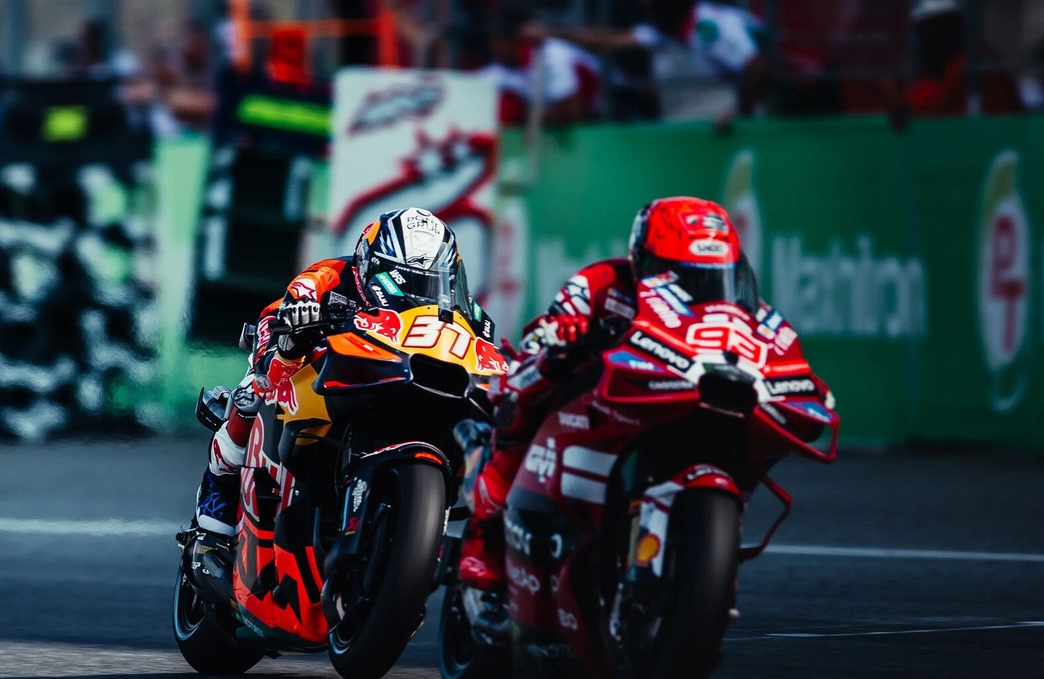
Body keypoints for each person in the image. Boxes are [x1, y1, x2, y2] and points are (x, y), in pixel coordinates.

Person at [456, 196, 761, 633]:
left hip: (677, 401)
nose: (693, 284)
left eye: (710, 275)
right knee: (520, 405)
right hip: (596, 401)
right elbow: (545, 332)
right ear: (643, 259)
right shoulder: (602, 282)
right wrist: (562, 337)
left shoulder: (737, 310)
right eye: (676, 272)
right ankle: (482, 553)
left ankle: (701, 563)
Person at [189, 207, 488, 554]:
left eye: (429, 281)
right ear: (369, 263)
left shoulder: (466, 311)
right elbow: (287, 311)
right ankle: (216, 502)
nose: (417, 291)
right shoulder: (326, 276)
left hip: (394, 371)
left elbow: (484, 345)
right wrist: (295, 331)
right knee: (257, 391)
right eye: (403, 279)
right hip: (306, 351)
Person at [528, 0, 767, 130]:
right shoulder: (661, 31)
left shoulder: (709, 25)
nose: (647, 7)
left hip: (734, 129)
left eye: (653, 4)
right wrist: (553, 33)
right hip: (691, 130)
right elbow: (604, 41)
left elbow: (755, 66)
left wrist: (741, 110)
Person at [881, 0, 1022, 126]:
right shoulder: (938, 64)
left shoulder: (971, 59)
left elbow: (939, 95)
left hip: (994, 137)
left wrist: (904, 103)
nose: (933, 37)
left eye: (939, 26)